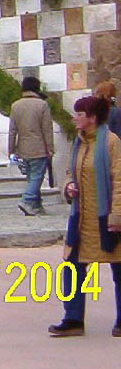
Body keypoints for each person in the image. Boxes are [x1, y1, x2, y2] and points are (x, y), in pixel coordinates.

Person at [47, 95, 121, 338]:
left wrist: (116, 216)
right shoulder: (79, 143)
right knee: (73, 266)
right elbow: (70, 170)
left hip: (106, 217)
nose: (75, 117)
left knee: (119, 269)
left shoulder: (111, 142)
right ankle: (73, 318)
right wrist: (69, 185)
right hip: (81, 217)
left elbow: (119, 181)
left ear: (93, 118)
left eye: (79, 114)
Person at [8, 75, 55, 216]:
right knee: (37, 177)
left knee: (31, 177)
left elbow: (12, 130)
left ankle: (36, 205)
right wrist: (50, 148)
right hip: (39, 148)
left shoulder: (15, 105)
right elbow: (47, 128)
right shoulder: (42, 105)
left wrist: (11, 150)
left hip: (22, 148)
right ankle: (27, 200)